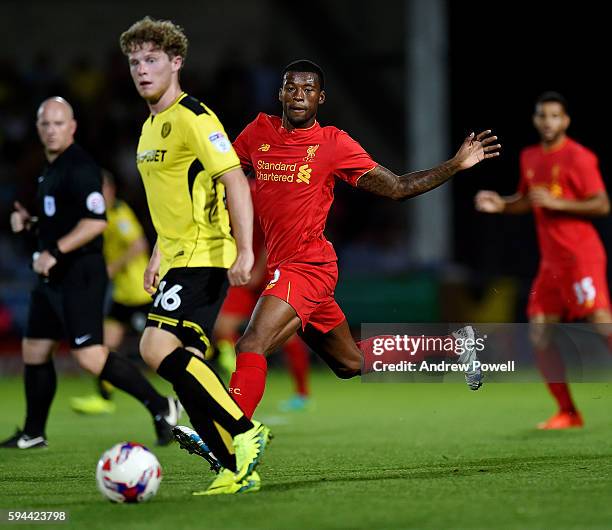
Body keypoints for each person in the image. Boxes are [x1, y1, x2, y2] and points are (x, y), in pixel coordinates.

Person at [174, 60, 500, 476]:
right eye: (291, 88)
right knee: (350, 364)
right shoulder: (257, 132)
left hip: (308, 266)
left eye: (308, 89)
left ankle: (226, 433)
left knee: (250, 344)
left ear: (320, 98)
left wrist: (454, 165)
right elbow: (224, 175)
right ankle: (454, 345)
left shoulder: (333, 144)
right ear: (280, 93)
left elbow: (397, 187)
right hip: (288, 267)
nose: (298, 96)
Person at [120, 16, 270, 495]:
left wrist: (244, 249)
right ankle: (233, 467)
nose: (142, 70)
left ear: (176, 62)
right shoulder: (149, 127)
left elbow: (233, 182)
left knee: (153, 347)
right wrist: (155, 257)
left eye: (152, 59)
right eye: (135, 61)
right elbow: (172, 203)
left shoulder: (194, 117)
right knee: (185, 367)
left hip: (205, 256)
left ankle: (246, 432)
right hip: (178, 257)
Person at [0, 97, 181, 450]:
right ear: (38, 129)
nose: (52, 130)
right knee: (35, 349)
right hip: (52, 277)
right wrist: (31, 222)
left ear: (72, 127)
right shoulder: (50, 168)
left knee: (89, 355)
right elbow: (63, 219)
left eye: (58, 123)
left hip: (79, 275)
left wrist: (54, 251)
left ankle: (162, 406)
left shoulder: (80, 167)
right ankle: (33, 432)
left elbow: (95, 222)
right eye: (45, 124)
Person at [475, 91, 611, 429]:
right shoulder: (530, 156)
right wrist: (503, 204)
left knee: (601, 323)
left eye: (554, 116)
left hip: (581, 256)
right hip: (551, 263)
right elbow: (529, 200)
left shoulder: (579, 157)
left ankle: (568, 412)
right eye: (542, 115)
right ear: (536, 120)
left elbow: (602, 204)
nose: (548, 121)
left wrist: (559, 203)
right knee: (539, 335)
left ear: (565, 121)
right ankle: (568, 412)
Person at [214, 180, 312, 411]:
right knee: (222, 326)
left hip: (269, 269)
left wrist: (258, 270)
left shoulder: (257, 193)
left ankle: (302, 392)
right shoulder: (225, 191)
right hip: (245, 269)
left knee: (286, 336)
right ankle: (235, 365)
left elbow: (274, 234)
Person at [70, 170, 153, 415]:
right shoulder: (100, 215)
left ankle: (216, 355)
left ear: (112, 189)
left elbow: (139, 244)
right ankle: (104, 398)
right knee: (105, 344)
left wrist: (111, 268)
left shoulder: (119, 212)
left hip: (141, 293)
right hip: (123, 296)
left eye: (102, 187)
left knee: (167, 347)